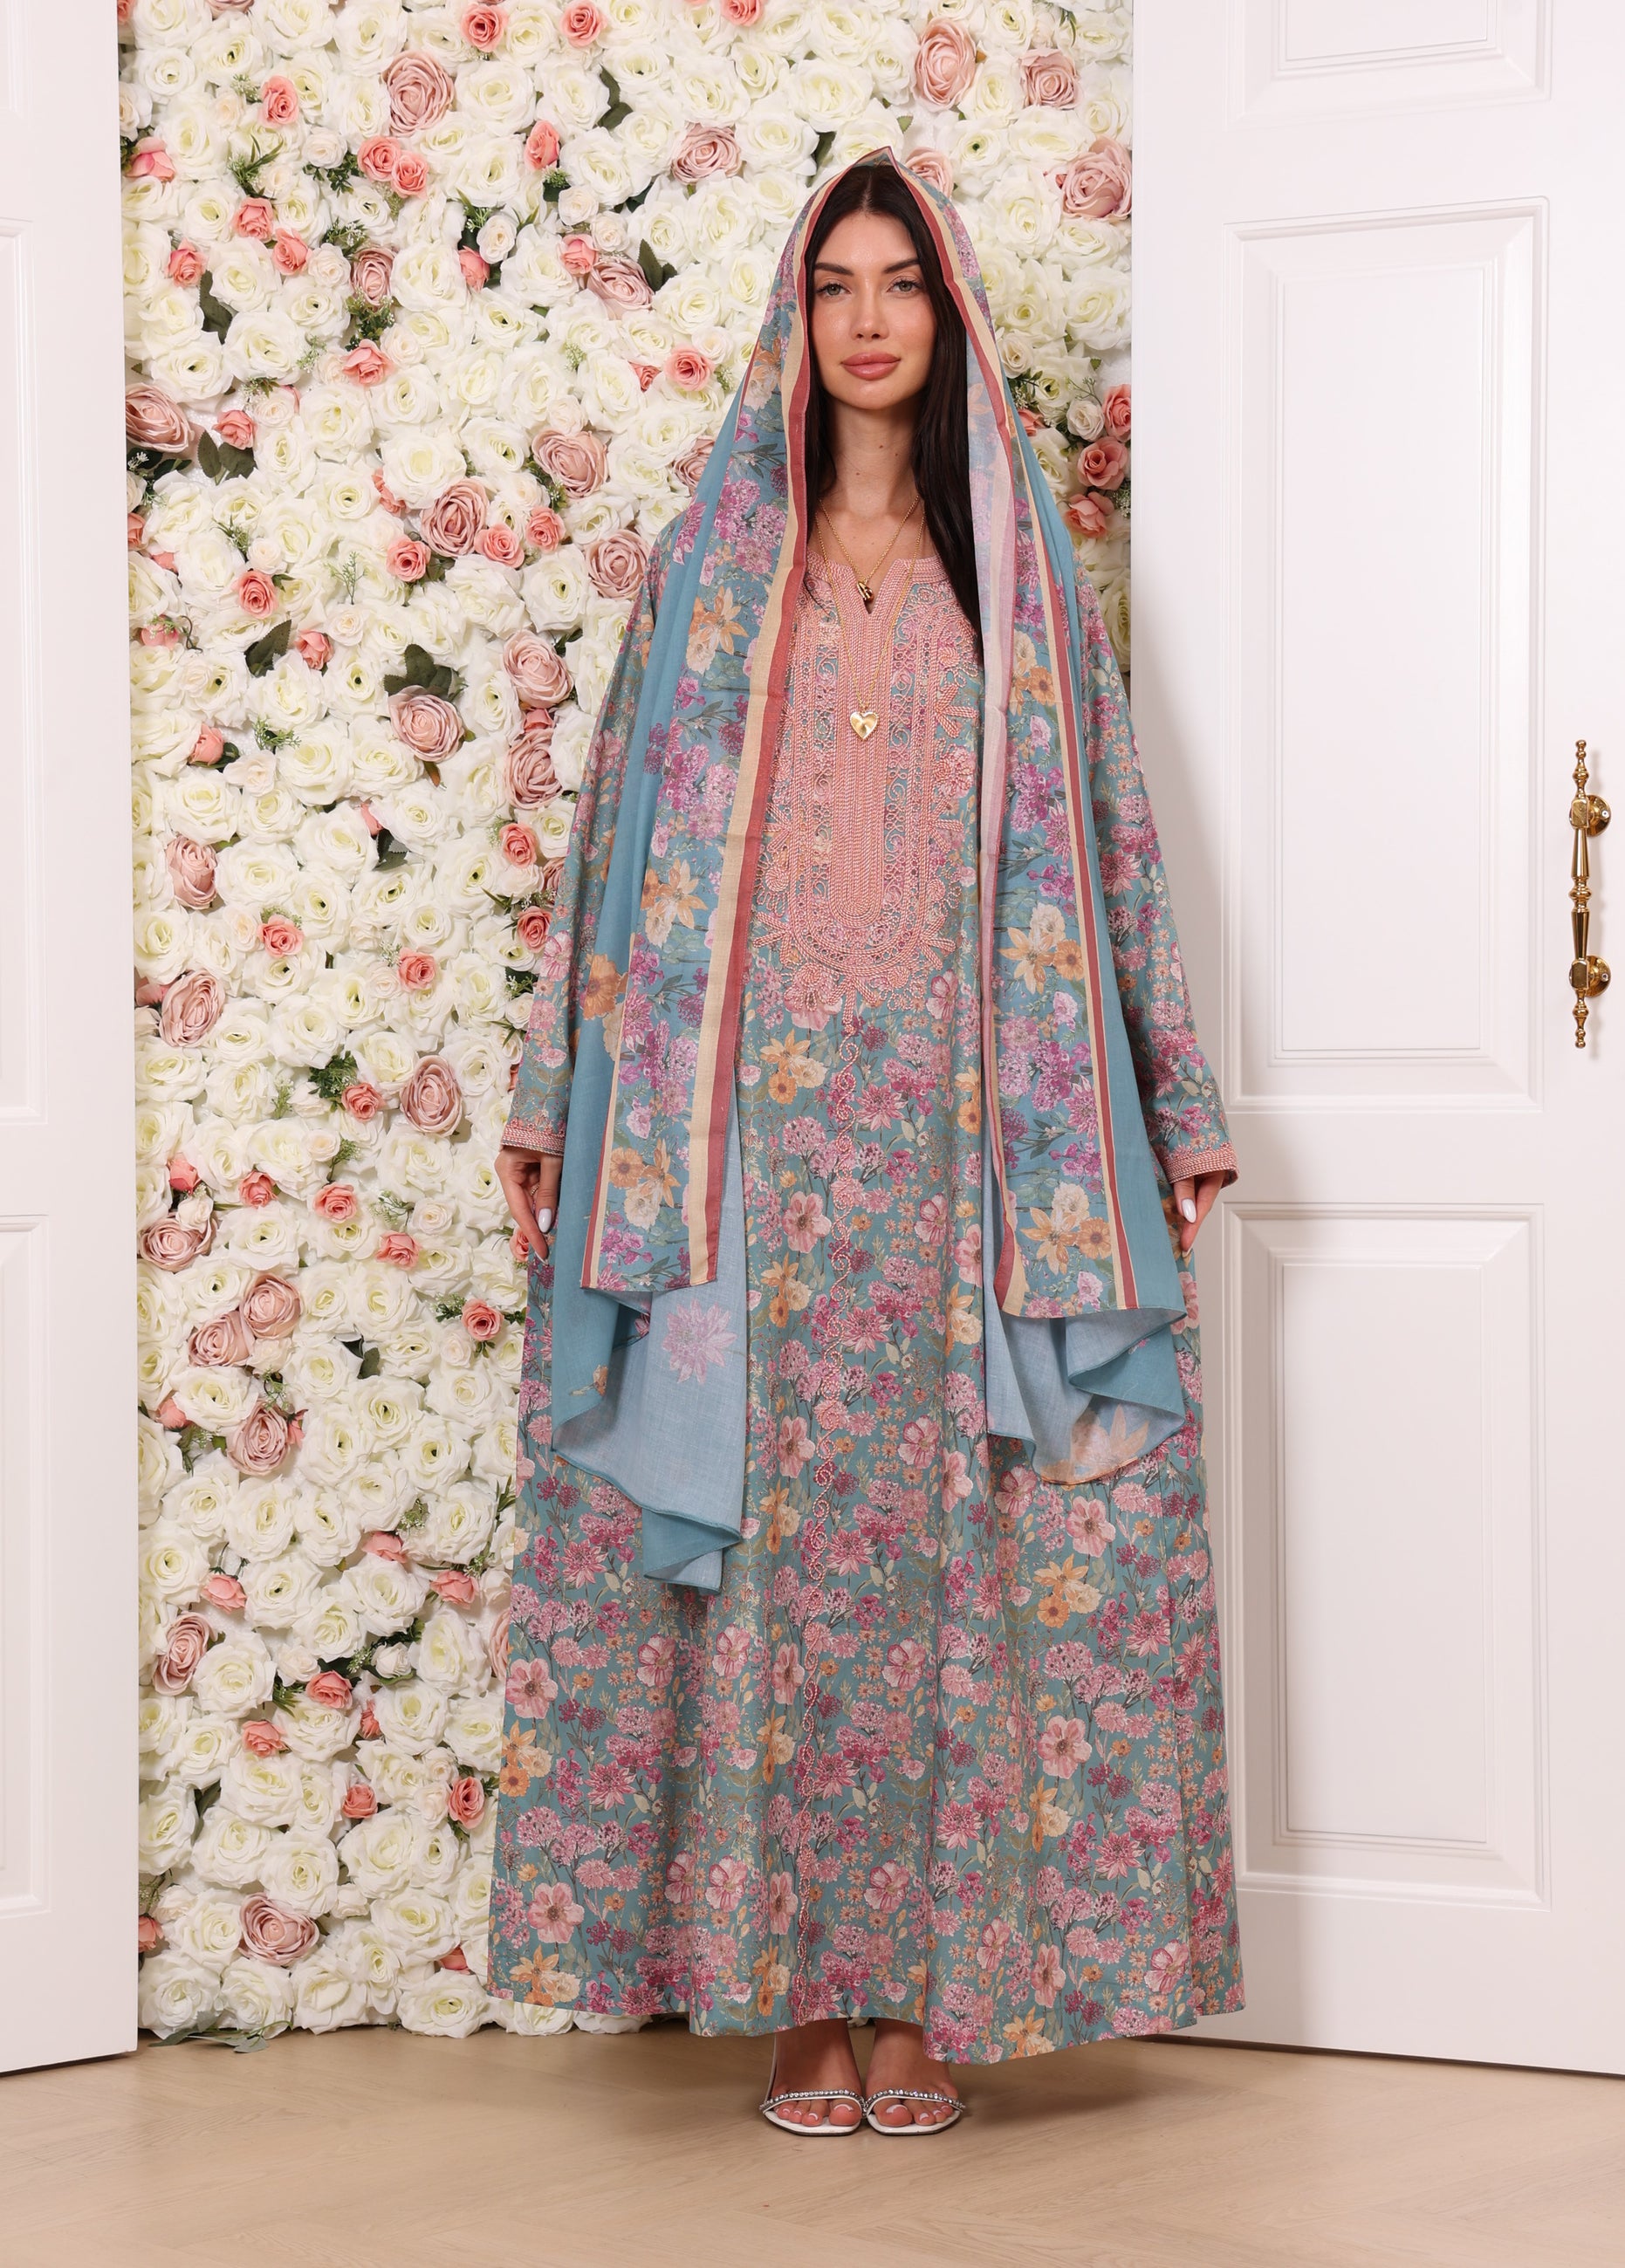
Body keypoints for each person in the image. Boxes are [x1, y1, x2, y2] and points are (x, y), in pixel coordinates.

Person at [490, 153, 1242, 2136]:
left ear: (951, 314)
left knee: (950, 1562)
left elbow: (1114, 846)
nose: (870, 318)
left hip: (972, 1147)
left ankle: (923, 1996)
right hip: (740, 1155)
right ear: (795, 319)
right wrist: (557, 1101)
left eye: (902, 282)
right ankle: (796, 1995)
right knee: (771, 1563)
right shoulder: (708, 573)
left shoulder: (1023, 588)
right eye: (835, 284)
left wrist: (1173, 1102)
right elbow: (609, 849)